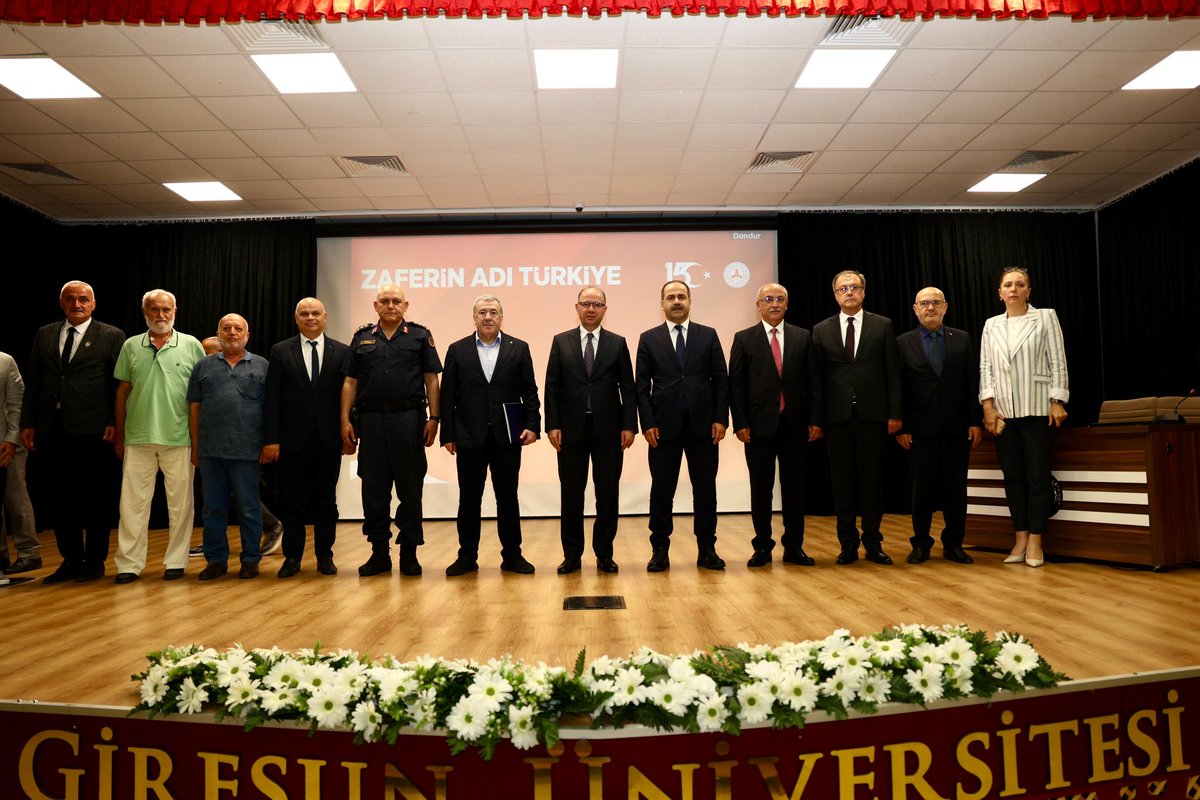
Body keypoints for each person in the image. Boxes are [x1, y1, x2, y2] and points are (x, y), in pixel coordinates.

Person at [19, 281, 124, 583]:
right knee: (60, 498)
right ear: (61, 303)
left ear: (93, 304)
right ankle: (70, 560)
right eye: (70, 299)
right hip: (52, 428)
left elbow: (119, 385)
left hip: (95, 429)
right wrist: (29, 423)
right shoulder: (46, 333)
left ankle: (94, 560)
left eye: (83, 299)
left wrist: (114, 421)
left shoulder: (111, 335)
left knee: (96, 497)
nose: (77, 304)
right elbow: (35, 380)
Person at [342, 284, 441, 577]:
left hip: (408, 420)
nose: (390, 305)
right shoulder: (362, 338)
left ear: (406, 305)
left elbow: (431, 380)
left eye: (396, 301)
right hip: (371, 423)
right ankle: (379, 553)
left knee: (410, 489)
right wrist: (344, 420)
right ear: (375, 306)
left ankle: (409, 553)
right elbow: (350, 382)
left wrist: (434, 417)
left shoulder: (420, 336)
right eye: (384, 301)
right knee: (374, 489)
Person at [440, 294, 540, 576]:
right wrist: (448, 433)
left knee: (507, 497)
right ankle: (466, 557)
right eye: (482, 312)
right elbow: (448, 395)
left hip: (507, 437)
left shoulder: (518, 348)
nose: (487, 317)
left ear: (501, 317)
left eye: (493, 312)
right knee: (468, 499)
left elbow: (529, 391)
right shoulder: (457, 350)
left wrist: (532, 424)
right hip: (468, 436)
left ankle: (512, 555)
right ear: (474, 318)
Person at [112, 290, 206, 584]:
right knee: (132, 505)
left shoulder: (191, 345)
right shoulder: (130, 346)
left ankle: (176, 562)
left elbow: (202, 397)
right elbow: (121, 393)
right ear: (145, 312)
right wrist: (120, 436)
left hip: (179, 438)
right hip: (138, 437)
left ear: (175, 311)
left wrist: (197, 441)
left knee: (181, 504)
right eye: (155, 309)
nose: (161, 314)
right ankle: (128, 564)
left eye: (166, 309)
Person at [635, 280, 729, 572]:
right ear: (661, 303)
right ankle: (660, 549)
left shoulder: (708, 335)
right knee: (662, 490)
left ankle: (707, 548)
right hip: (662, 429)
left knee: (705, 490)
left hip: (704, 427)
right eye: (670, 297)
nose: (676, 301)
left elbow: (721, 381)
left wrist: (720, 418)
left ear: (690, 301)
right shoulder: (649, 338)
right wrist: (647, 423)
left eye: (681, 297)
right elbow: (641, 386)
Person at [978, 268, 1069, 568]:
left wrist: (1057, 399)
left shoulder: (1045, 317)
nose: (1013, 289)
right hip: (1004, 412)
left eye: (1019, 284)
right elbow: (986, 368)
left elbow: (1057, 359)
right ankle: (1019, 536)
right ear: (999, 293)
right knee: (1013, 477)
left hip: (1037, 408)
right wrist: (988, 406)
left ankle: (1036, 541)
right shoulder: (991, 325)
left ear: (1029, 290)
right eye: (1008, 285)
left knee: (1037, 476)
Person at [811, 270, 902, 566]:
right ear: (835, 295)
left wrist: (895, 413)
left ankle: (873, 543)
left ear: (863, 292)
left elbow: (893, 373)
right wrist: (817, 418)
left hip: (873, 416)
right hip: (836, 418)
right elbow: (817, 379)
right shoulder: (821, 330)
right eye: (843, 289)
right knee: (842, 484)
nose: (849, 292)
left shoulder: (883, 325)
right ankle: (848, 544)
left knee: (872, 481)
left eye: (854, 287)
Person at [544, 287, 636, 575]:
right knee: (571, 494)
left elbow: (628, 389)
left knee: (607, 494)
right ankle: (572, 555)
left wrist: (629, 426)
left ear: (605, 309)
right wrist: (552, 425)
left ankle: (604, 554)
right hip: (570, 431)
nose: (591, 309)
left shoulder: (617, 343)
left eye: (597, 304)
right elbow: (552, 387)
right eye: (586, 304)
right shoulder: (561, 342)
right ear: (577, 307)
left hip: (609, 431)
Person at [729, 283, 822, 568]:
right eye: (768, 299)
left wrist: (816, 419)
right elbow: (737, 385)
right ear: (758, 304)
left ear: (787, 304)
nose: (774, 304)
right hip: (758, 427)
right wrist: (740, 422)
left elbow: (815, 382)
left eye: (779, 299)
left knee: (794, 488)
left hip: (796, 425)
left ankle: (794, 546)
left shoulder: (803, 337)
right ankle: (762, 547)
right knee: (761, 489)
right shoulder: (743, 338)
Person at [262, 298, 351, 578]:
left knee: (327, 502)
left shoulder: (342, 351)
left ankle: (325, 555)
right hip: (291, 441)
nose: (310, 317)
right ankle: (292, 557)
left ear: (325, 317)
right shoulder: (280, 351)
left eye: (315, 313)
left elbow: (349, 396)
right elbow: (272, 398)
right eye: (305, 313)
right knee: (292, 502)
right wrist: (271, 438)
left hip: (329, 440)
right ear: (296, 318)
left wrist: (348, 430)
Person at [895, 287, 983, 565]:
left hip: (957, 428)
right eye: (924, 303)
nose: (930, 308)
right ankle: (921, 544)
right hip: (919, 430)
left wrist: (974, 421)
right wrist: (901, 427)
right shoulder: (902, 342)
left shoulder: (962, 339)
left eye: (935, 303)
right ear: (915, 308)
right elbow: (898, 388)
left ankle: (954, 544)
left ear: (945, 307)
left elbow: (971, 382)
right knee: (921, 490)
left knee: (956, 490)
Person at [188, 314, 268, 580]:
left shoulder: (262, 365)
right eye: (226, 328)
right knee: (212, 508)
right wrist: (196, 446)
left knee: (248, 508)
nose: (232, 332)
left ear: (247, 335)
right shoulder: (203, 366)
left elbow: (270, 409)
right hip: (211, 451)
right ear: (219, 334)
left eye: (238, 329)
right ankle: (216, 560)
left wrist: (267, 443)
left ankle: (250, 559)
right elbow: (195, 407)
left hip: (246, 450)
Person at [0, 353, 39, 575]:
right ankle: (1, 554)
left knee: (16, 497)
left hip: (7, 442)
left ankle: (29, 553)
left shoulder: (5, 361)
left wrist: (12, 439)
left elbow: (17, 403)